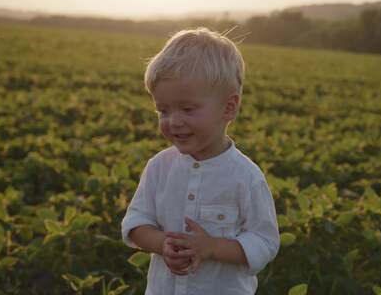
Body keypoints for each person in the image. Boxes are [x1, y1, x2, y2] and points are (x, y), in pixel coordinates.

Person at [120, 27, 280, 295]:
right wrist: (162, 244)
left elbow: (264, 242)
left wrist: (211, 248)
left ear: (229, 108)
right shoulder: (159, 167)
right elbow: (135, 224)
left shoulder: (246, 177)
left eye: (187, 109)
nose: (174, 121)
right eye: (163, 110)